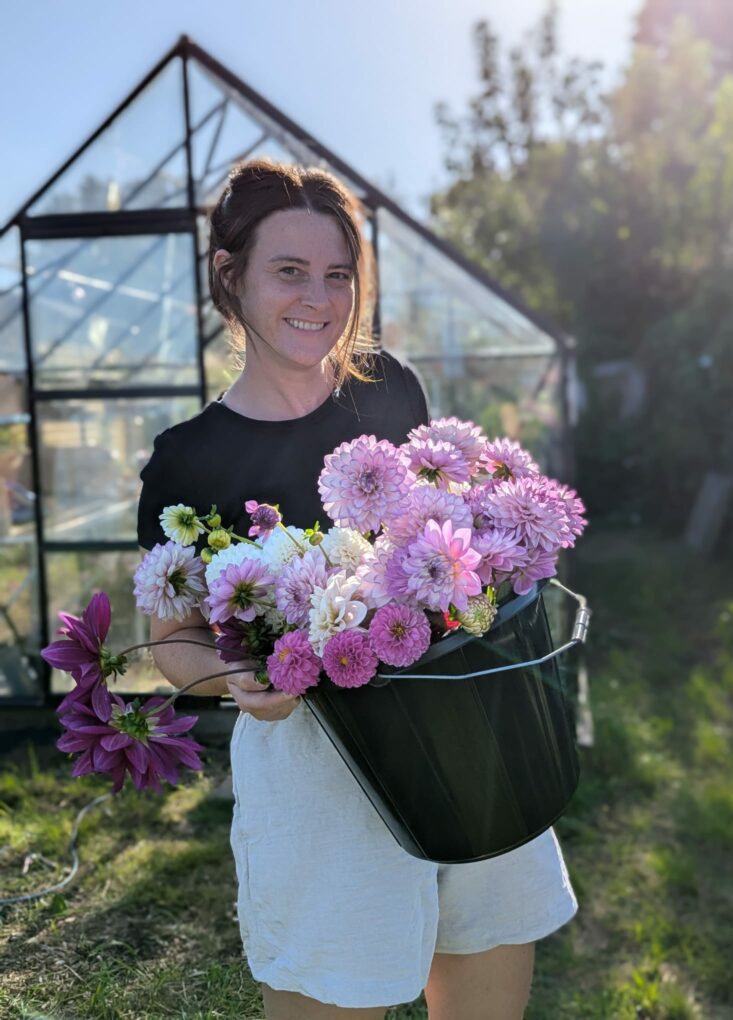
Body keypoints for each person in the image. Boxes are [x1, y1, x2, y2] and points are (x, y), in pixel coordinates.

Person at [136, 158, 578, 1020]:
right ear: (230, 275)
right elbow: (169, 639)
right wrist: (237, 678)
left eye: (338, 274)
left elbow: (441, 533)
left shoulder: (388, 387)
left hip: (468, 728)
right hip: (318, 776)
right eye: (289, 270)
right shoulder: (187, 460)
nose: (320, 298)